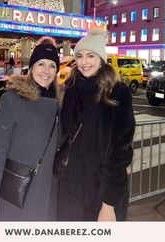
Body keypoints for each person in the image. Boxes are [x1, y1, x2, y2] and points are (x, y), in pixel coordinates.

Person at [0, 37, 61, 221]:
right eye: (41, 64)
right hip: (18, 196)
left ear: (57, 70)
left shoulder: (61, 103)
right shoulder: (12, 100)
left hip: (50, 196)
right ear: (31, 67)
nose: (46, 71)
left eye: (52, 65)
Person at [57, 28, 135, 221]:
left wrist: (108, 205)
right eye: (80, 56)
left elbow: (120, 153)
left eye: (91, 56)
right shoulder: (72, 88)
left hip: (101, 190)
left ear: (101, 59)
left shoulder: (117, 92)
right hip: (71, 186)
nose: (84, 62)